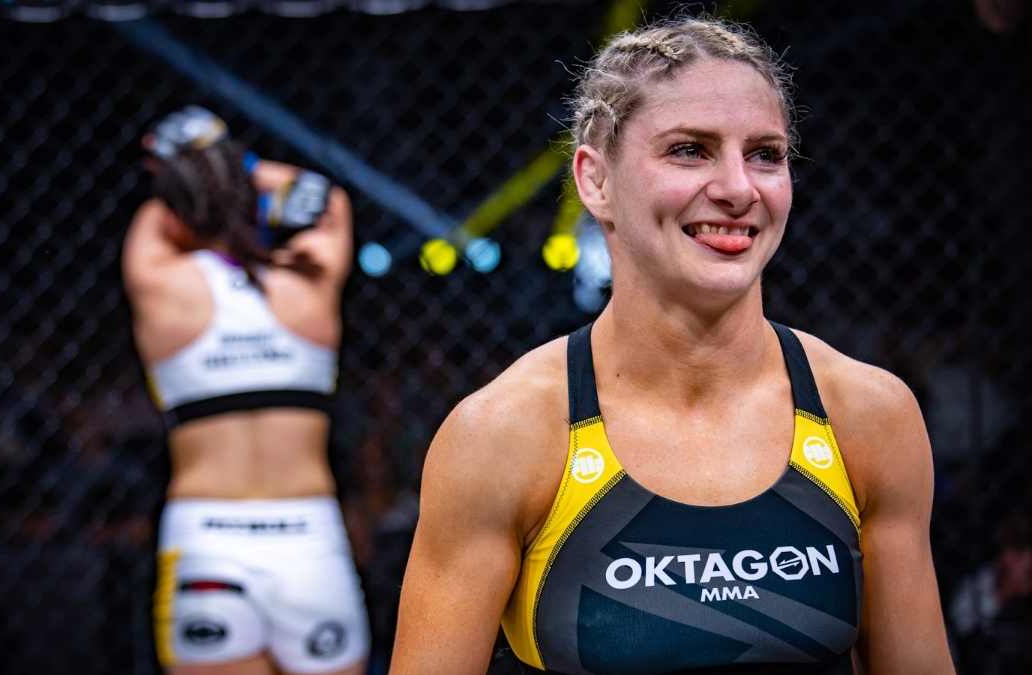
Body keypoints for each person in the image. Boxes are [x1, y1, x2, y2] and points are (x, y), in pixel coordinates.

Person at [390, 16, 955, 675]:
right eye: (690, 149)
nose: (738, 188)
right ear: (595, 181)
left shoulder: (868, 414)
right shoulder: (503, 434)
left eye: (765, 154)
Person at [122, 110, 367, 675]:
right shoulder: (305, 282)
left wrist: (190, 162)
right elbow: (329, 202)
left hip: (208, 536)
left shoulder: (163, 285)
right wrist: (238, 164)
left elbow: (158, 214)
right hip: (307, 537)